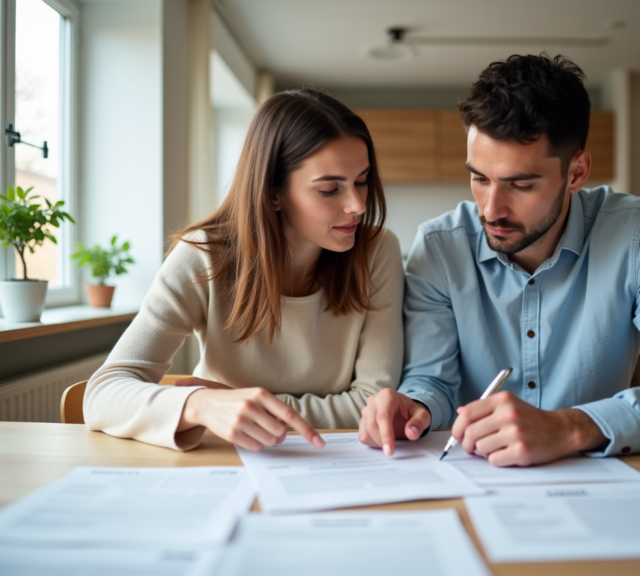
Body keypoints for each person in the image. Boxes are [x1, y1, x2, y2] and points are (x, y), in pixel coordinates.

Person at [358, 54, 640, 466]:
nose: (491, 210)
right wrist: (416, 406)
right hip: (477, 475)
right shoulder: (440, 247)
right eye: (479, 178)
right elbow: (431, 381)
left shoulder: (639, 233)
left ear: (577, 172)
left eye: (521, 184)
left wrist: (572, 427)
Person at [85, 89, 404, 451]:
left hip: (336, 456)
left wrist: (244, 405)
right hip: (221, 453)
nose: (358, 205)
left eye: (361, 181)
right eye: (330, 189)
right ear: (273, 193)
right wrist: (202, 404)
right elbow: (102, 394)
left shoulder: (378, 252)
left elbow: (373, 406)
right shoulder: (203, 255)